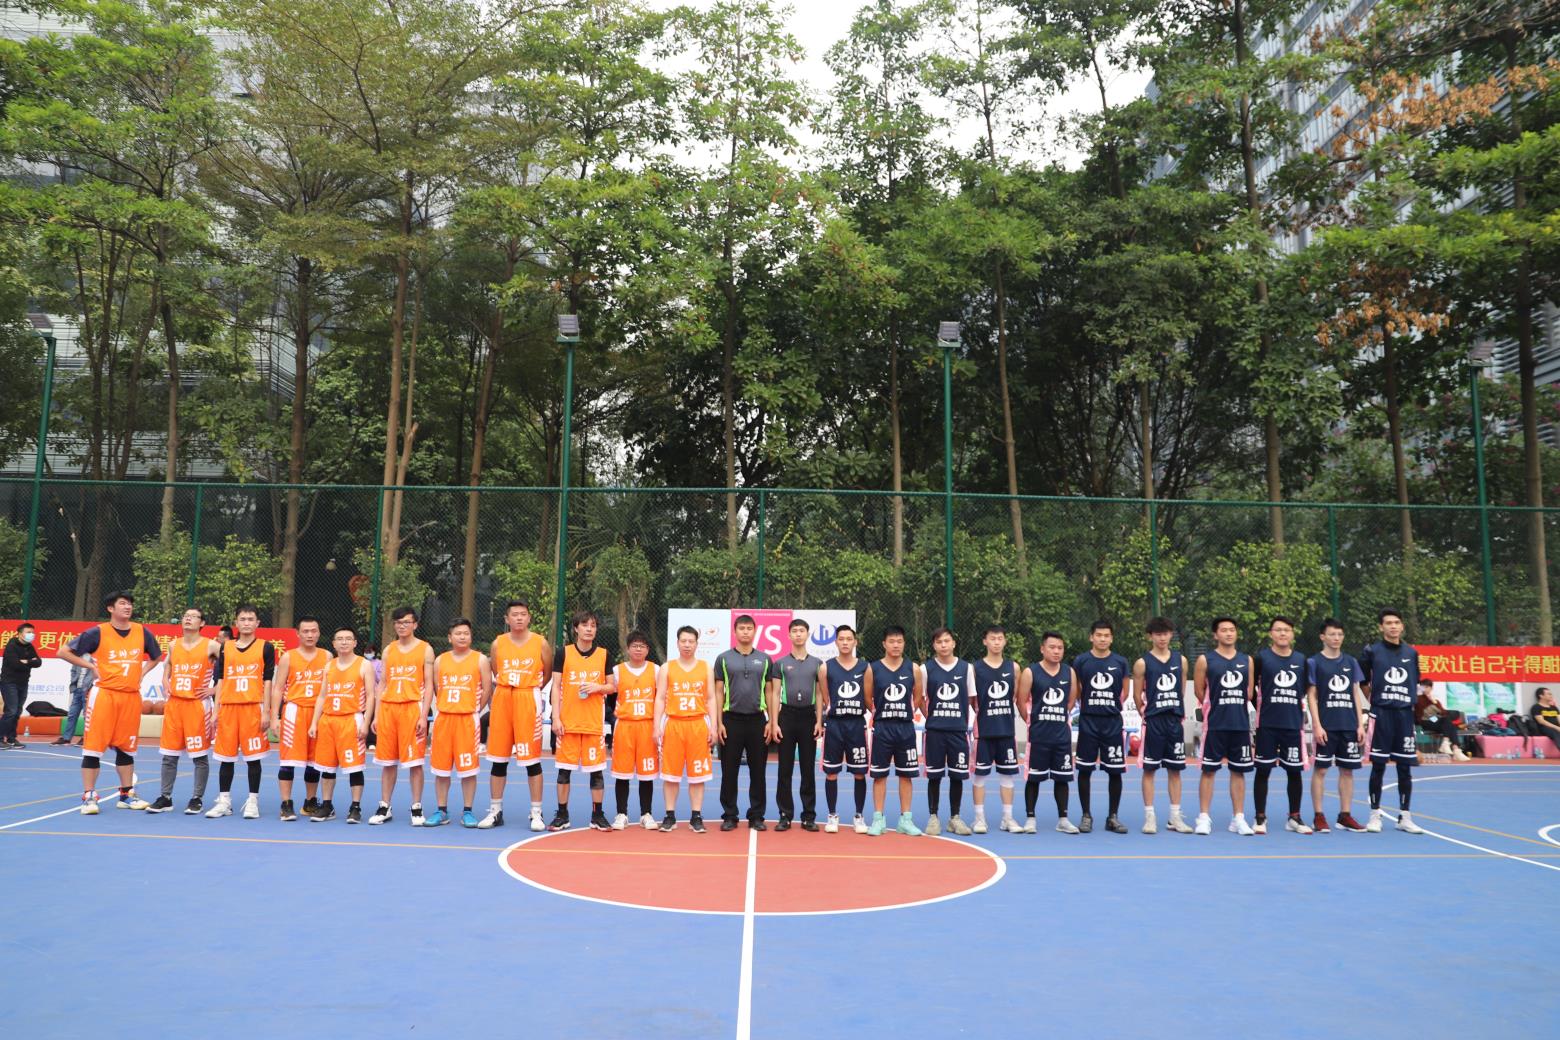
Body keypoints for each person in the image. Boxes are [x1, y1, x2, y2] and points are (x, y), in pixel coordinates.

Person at [57, 591, 163, 813]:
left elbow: (156, 656)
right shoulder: (97, 632)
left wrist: (142, 672)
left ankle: (126, 795)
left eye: (130, 603)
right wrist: (91, 666)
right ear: (110, 608)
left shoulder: (141, 631)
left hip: (131, 697)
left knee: (127, 748)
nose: (128, 607)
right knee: (93, 748)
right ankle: (89, 796)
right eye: (122, 603)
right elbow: (63, 652)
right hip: (104, 695)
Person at [480, 599, 552, 832]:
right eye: (514, 614)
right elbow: (496, 670)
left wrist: (529, 689)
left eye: (523, 614)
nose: (519, 618)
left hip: (527, 697)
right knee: (498, 758)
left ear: (529, 617)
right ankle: (495, 810)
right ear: (506, 619)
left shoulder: (540, 643)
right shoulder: (498, 643)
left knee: (531, 760)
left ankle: (536, 812)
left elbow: (547, 673)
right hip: (503, 697)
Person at [205, 606, 275, 820]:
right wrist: (216, 710)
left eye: (250, 619)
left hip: (253, 707)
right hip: (229, 708)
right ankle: (224, 801)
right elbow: (221, 679)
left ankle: (253, 801)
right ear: (236, 622)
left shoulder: (266, 647)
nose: (246, 622)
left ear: (257, 623)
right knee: (226, 758)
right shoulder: (225, 647)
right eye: (242, 619)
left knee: (254, 758)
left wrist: (266, 711)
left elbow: (268, 681)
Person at [146, 608, 218, 813]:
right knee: (169, 755)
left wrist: (214, 689)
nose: (188, 618)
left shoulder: (211, 645)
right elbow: (167, 664)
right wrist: (164, 679)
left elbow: (227, 671)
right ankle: (165, 797)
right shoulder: (173, 644)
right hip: (175, 705)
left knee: (199, 756)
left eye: (193, 616)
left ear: (202, 623)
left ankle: (197, 798)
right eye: (186, 616)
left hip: (197, 705)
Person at [1360, 609, 1425, 833]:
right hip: (1382, 714)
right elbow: (1363, 682)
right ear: (1381, 627)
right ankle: (1374, 815)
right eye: (1388, 623)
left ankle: (1405, 816)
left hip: (1404, 715)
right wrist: (1376, 700)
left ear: (1402, 626)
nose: (1393, 626)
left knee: (1405, 767)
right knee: (1378, 765)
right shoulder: (1372, 651)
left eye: (1397, 622)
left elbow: (1415, 681)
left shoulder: (1411, 653)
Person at [549, 610, 615, 831]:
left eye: (593, 625)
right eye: (585, 625)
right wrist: (556, 717)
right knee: (563, 771)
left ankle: (597, 814)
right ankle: (562, 814)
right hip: (568, 723)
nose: (589, 629)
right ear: (576, 628)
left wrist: (598, 687)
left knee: (596, 772)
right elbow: (556, 687)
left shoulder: (604, 654)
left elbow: (612, 687)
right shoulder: (563, 653)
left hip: (593, 724)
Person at [369, 606, 434, 826]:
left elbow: (429, 685)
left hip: (411, 708)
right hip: (389, 709)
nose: (402, 626)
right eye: (398, 622)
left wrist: (423, 716)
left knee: (415, 762)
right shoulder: (389, 650)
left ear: (415, 624)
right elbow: (382, 684)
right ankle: (384, 806)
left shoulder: (425, 649)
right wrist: (377, 715)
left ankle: (416, 807)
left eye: (406, 622)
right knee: (388, 762)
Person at [424, 619, 490, 827]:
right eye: (458, 633)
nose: (462, 637)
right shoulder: (440, 660)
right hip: (444, 718)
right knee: (441, 769)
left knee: (468, 769)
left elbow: (487, 689)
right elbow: (437, 688)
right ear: (449, 637)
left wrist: (474, 709)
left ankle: (468, 811)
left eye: (466, 633)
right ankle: (441, 810)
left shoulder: (480, 660)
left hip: (467, 719)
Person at [1305, 618, 1369, 833]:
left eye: (1340, 634)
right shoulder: (1314, 662)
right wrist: (1317, 725)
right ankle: (1319, 815)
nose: (1336, 638)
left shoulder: (1351, 662)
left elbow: (1355, 694)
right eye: (1332, 634)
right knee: (1321, 770)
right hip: (1327, 726)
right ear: (1322, 637)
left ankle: (1345, 815)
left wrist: (1359, 724)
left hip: (1348, 725)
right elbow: (1312, 696)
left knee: (1347, 771)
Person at [308, 626, 377, 823]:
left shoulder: (364, 665)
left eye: (348, 638)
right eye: (340, 639)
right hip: (328, 720)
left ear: (355, 643)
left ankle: (355, 807)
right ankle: (327, 805)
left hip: (351, 719)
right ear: (334, 644)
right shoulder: (329, 666)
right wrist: (314, 722)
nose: (344, 642)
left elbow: (371, 695)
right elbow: (322, 696)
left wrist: (366, 722)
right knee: (327, 766)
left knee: (354, 766)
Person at [1193, 617, 1256, 836]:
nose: (1228, 633)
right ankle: (1203, 817)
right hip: (1215, 725)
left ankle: (1238, 818)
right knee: (1208, 771)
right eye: (1224, 630)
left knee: (1239, 772)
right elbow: (1199, 691)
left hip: (1240, 725)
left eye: (1232, 630)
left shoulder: (1247, 660)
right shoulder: (1205, 660)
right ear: (1215, 635)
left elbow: (1249, 692)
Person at [1133, 617, 1193, 834]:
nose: (1162, 638)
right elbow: (1137, 695)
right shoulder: (1142, 663)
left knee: (1175, 770)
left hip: (1174, 721)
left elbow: (1181, 690)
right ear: (1150, 636)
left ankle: (1174, 817)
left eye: (1165, 633)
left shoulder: (1181, 660)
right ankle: (1150, 817)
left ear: (1171, 635)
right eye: (1158, 634)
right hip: (1154, 722)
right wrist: (1147, 713)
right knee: (1149, 770)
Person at [1253, 616, 1313, 834]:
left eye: (1286, 630)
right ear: (1271, 633)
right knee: (1263, 770)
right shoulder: (1261, 658)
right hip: (1267, 724)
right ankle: (1260, 817)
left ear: (1292, 633)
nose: (1282, 633)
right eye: (1278, 630)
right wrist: (1262, 707)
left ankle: (1294, 817)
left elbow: (1304, 689)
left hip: (1292, 724)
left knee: (1294, 772)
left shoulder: (1301, 660)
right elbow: (1252, 689)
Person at [714, 615, 773, 831]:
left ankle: (756, 815)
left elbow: (770, 691)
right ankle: (730, 815)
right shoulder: (723, 658)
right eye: (742, 628)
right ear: (735, 631)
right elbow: (718, 692)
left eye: (749, 628)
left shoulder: (765, 659)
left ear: (755, 631)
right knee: (729, 772)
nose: (745, 632)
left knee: (758, 772)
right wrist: (719, 722)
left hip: (758, 721)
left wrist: (771, 721)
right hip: (731, 720)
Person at [1017, 631, 1079, 834]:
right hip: (1039, 736)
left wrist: (1058, 717)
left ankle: (1063, 819)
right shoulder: (1031, 672)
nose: (1056, 651)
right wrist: (1032, 722)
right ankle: (1030, 818)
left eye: (1060, 648)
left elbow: (1071, 701)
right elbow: (1021, 701)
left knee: (1062, 778)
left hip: (1061, 736)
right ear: (1042, 649)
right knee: (1034, 778)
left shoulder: (1069, 672)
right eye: (1052, 647)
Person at [864, 625, 923, 837]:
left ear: (904, 644)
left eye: (899, 641)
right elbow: (867, 697)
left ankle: (905, 819)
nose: (896, 645)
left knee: (906, 775)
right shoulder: (872, 669)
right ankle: (878, 819)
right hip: (882, 727)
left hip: (905, 728)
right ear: (884, 644)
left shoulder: (913, 668)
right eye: (891, 641)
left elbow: (918, 697)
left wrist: (905, 712)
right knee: (879, 775)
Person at [1072, 619, 1129, 834]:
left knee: (1115, 771)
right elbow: (1077, 690)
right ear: (1091, 637)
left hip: (1112, 723)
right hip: (1088, 721)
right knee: (1085, 769)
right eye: (1099, 635)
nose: (1102, 639)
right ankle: (1086, 815)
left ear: (1111, 638)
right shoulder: (1081, 661)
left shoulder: (1120, 661)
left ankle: (1112, 816)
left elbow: (1123, 692)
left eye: (1106, 635)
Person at [656, 625, 715, 832]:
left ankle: (696, 816)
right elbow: (660, 698)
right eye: (684, 641)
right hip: (673, 724)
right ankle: (670, 815)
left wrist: (714, 727)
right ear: (677, 643)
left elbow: (711, 698)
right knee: (670, 774)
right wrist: (656, 727)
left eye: (691, 641)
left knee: (698, 775)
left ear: (697, 644)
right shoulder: (667, 668)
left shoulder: (705, 667)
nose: (687, 645)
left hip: (698, 724)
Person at [269, 615, 329, 821]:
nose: (310, 635)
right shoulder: (288, 657)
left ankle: (310, 802)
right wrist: (274, 717)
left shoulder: (327, 656)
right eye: (306, 631)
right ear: (298, 634)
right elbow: (278, 688)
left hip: (318, 713)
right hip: (294, 712)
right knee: (289, 760)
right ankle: (286, 803)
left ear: (319, 633)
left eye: (313, 631)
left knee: (314, 761)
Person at [769, 618, 822, 831]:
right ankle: (785, 815)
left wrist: (819, 721)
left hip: (808, 717)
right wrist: (774, 722)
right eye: (795, 631)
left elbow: (820, 694)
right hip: (787, 717)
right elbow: (774, 694)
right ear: (789, 635)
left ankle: (808, 816)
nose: (798, 634)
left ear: (807, 634)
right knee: (785, 769)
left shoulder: (817, 663)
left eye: (802, 631)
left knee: (808, 769)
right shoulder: (780, 663)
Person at [818, 625, 870, 834]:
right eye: (842, 639)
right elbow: (825, 698)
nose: (845, 642)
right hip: (835, 725)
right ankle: (832, 815)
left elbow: (868, 697)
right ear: (836, 642)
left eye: (849, 639)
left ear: (855, 642)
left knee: (859, 773)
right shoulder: (826, 667)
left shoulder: (865, 667)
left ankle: (859, 816)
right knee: (831, 772)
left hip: (856, 725)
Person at [922, 627, 973, 836]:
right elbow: (921, 699)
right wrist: (932, 717)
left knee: (957, 775)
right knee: (934, 776)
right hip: (935, 731)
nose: (943, 645)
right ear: (934, 645)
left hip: (957, 732)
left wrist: (960, 720)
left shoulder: (966, 668)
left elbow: (970, 699)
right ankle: (933, 817)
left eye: (947, 641)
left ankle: (955, 817)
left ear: (953, 643)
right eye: (939, 642)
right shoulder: (926, 669)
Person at [970, 624, 1020, 834]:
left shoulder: (1013, 668)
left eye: (1000, 638)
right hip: (984, 732)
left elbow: (1015, 696)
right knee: (979, 776)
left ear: (1005, 641)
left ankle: (1007, 818)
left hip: (1006, 730)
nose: (997, 642)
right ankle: (979, 819)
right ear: (985, 641)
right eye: (992, 638)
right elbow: (972, 700)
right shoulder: (975, 668)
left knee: (1007, 776)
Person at [610, 631, 659, 830]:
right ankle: (621, 813)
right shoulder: (617, 671)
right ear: (628, 648)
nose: (638, 649)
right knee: (622, 772)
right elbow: (610, 698)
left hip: (647, 726)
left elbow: (661, 698)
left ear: (648, 650)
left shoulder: (656, 670)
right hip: (625, 725)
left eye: (642, 646)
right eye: (635, 645)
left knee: (647, 774)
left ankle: (646, 813)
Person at [1, 622, 43, 748]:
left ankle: (11, 738)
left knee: (17, 711)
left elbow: (38, 662)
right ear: (19, 634)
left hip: (23, 683)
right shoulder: (12, 645)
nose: (31, 634)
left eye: (32, 632)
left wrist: (26, 661)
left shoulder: (29, 647)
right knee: (11, 711)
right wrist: (30, 662)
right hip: (9, 683)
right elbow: (15, 664)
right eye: (28, 632)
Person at [1415, 679, 1470, 761]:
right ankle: (1454, 750)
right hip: (1425, 721)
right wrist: (1428, 700)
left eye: (1427, 687)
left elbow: (1443, 712)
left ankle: (1453, 747)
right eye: (1423, 687)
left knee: (1449, 723)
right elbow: (1419, 711)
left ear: (1431, 688)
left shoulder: (1435, 700)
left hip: (1434, 719)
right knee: (1449, 724)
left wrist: (1434, 702)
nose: (1425, 689)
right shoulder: (1418, 699)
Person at [54, 657, 94, 746]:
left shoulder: (96, 657)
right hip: (77, 690)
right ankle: (66, 738)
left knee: (87, 715)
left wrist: (91, 687)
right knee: (72, 714)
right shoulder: (78, 656)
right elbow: (73, 671)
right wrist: (74, 685)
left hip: (88, 690)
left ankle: (86, 738)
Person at [1533, 688, 1560, 753]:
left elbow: (1559, 719)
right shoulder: (1536, 707)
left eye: (1551, 694)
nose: (1551, 695)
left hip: (1557, 727)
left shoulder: (1554, 708)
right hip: (1545, 728)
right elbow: (1541, 721)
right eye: (1548, 694)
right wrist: (1557, 728)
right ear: (1541, 696)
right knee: (1554, 732)